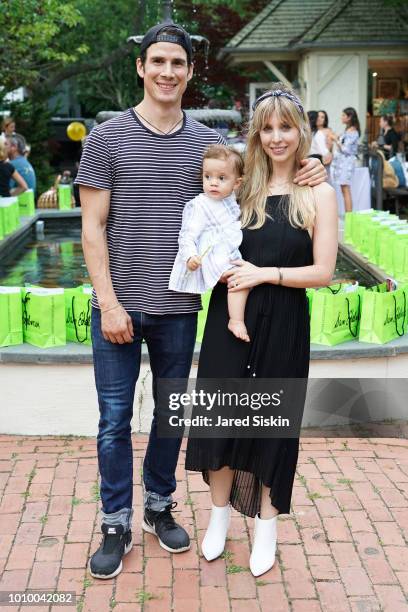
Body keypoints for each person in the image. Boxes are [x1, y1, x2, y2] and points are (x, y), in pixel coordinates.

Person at [75, 22, 327, 581]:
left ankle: (158, 507)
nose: (168, 72)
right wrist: (109, 303)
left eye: (178, 64)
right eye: (158, 62)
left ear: (189, 72)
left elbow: (269, 166)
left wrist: (317, 165)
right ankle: (115, 521)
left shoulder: (204, 145)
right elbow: (92, 229)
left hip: (181, 308)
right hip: (119, 304)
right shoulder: (107, 136)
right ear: (141, 67)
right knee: (115, 419)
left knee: (171, 416)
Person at [185, 83, 338, 577]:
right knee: (220, 418)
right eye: (267, 127)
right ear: (257, 132)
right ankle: (219, 517)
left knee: (274, 425)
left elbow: (323, 273)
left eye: (286, 127)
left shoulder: (318, 191)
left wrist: (266, 274)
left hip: (285, 321)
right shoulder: (242, 182)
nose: (277, 137)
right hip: (231, 318)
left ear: (301, 131)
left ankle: (267, 526)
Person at [169, 144, 250, 342]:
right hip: (212, 256)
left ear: (237, 183)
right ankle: (236, 320)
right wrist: (190, 256)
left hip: (228, 252)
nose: (213, 183)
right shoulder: (200, 205)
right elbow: (187, 235)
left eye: (221, 178)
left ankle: (237, 318)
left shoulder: (232, 199)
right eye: (208, 177)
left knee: (243, 279)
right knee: (239, 280)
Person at [331, 107, 360, 212]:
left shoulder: (353, 131)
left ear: (349, 117)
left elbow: (345, 149)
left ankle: (349, 216)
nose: (341, 117)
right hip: (343, 163)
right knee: (344, 189)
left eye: (344, 115)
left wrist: (335, 140)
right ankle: (348, 215)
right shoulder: (348, 130)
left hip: (347, 164)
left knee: (346, 189)